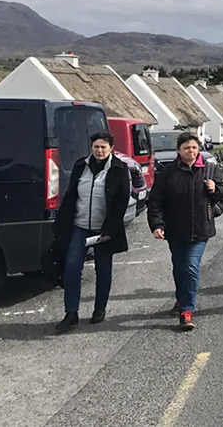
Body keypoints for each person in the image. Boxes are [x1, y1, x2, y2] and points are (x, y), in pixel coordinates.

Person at [148, 132, 223, 331]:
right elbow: (155, 201)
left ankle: (187, 310)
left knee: (191, 266)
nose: (190, 151)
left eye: (193, 147)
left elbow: (221, 193)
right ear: (179, 151)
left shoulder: (209, 169)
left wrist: (214, 188)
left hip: (200, 229)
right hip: (175, 230)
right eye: (186, 148)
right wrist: (157, 225)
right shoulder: (168, 173)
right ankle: (181, 297)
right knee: (178, 266)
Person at [53, 132, 131, 333]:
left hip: (103, 228)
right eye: (96, 146)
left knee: (103, 269)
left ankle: (99, 308)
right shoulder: (81, 166)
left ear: (111, 148)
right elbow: (71, 195)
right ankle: (71, 313)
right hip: (79, 226)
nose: (99, 150)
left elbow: (121, 201)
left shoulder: (119, 169)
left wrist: (110, 229)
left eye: (103, 147)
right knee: (71, 268)